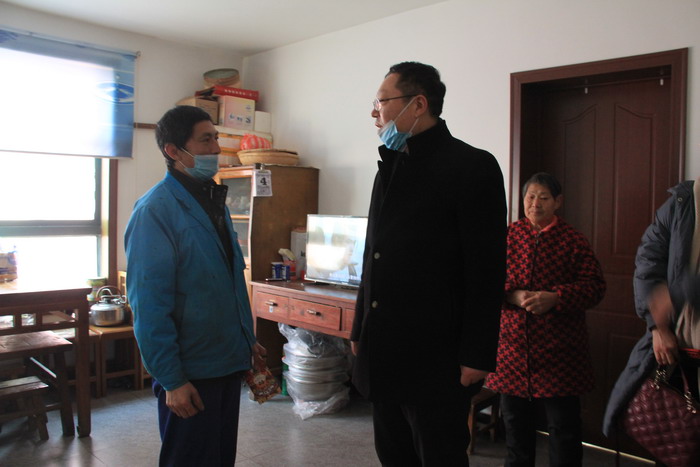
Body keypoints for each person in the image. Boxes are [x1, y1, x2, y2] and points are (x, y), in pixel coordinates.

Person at [350, 61, 507, 466]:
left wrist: (477, 354)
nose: (374, 112)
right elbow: (373, 256)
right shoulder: (390, 165)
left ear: (418, 104)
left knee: (440, 456)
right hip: (385, 350)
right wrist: (359, 328)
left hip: (437, 357)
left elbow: (486, 269)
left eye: (382, 102)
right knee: (393, 455)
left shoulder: (472, 166)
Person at [124, 105, 265, 466]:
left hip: (225, 361)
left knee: (219, 457)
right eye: (205, 140)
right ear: (173, 150)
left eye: (216, 138)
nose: (216, 148)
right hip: (190, 371)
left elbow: (227, 281)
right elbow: (149, 306)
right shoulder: (155, 210)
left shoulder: (213, 202)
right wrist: (172, 380)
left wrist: (246, 340)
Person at [486, 172, 606, 467]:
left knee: (564, 431)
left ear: (557, 202)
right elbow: (485, 282)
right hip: (512, 351)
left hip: (560, 354)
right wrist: (513, 295)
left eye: (543, 198)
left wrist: (556, 298)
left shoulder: (573, 240)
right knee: (516, 432)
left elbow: (595, 287)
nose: (535, 204)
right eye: (530, 197)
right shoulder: (508, 236)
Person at [603, 178, 700, 441]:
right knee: (675, 439)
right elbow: (648, 260)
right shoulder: (682, 201)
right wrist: (657, 327)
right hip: (677, 349)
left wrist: (679, 292)